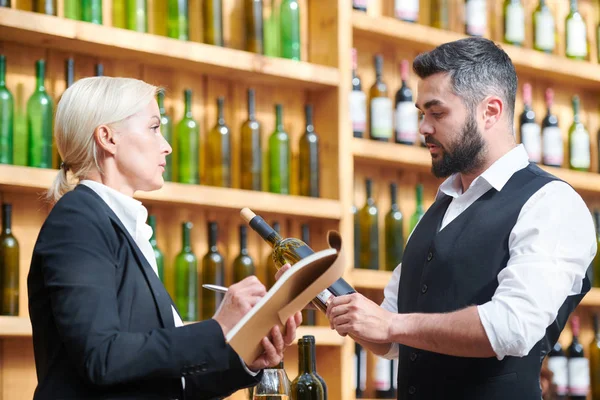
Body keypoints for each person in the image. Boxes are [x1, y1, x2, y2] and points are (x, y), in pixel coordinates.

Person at [326, 37, 597, 399]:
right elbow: (390, 339)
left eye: (437, 113)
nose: (423, 127)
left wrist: (391, 325)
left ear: (490, 111)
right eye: (422, 113)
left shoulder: (551, 203)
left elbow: (510, 327)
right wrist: (320, 291)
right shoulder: (441, 208)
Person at [27, 76, 302, 400]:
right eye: (154, 127)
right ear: (107, 138)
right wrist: (219, 326)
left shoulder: (121, 228)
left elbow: (166, 382)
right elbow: (101, 357)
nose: (167, 145)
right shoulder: (78, 220)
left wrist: (245, 361)